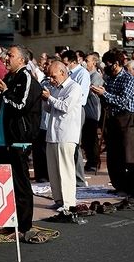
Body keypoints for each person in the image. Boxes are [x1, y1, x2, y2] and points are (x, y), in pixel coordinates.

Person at [0, 44, 44, 242]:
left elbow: (21, 105)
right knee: (7, 185)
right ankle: (10, 222)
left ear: (22, 59)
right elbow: (1, 104)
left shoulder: (26, 77)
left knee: (21, 184)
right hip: (5, 138)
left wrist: (4, 92)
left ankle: (24, 225)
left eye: (10, 55)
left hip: (20, 139)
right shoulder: (10, 77)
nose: (6, 59)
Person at [91, 49, 134, 197]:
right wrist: (100, 94)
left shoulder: (128, 79)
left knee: (128, 154)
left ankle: (129, 188)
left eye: (108, 64)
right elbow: (108, 98)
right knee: (113, 154)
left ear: (117, 64)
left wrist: (104, 93)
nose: (106, 67)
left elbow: (123, 101)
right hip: (111, 118)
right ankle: (118, 185)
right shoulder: (110, 77)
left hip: (126, 119)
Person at [41, 60, 82, 212]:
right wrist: (46, 99)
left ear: (63, 73)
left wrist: (50, 98)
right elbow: (49, 109)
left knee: (66, 170)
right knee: (53, 170)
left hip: (66, 134)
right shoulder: (55, 88)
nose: (51, 80)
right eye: (50, 77)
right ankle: (58, 199)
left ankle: (69, 202)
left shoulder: (74, 87)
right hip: (52, 133)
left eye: (53, 76)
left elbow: (65, 107)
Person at [61, 49, 89, 186]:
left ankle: (79, 179)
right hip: (65, 108)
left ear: (73, 62)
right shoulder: (67, 73)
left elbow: (81, 95)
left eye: (66, 63)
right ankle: (70, 176)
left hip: (77, 110)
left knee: (75, 143)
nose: (64, 65)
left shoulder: (82, 74)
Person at [83, 52, 104, 172]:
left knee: (91, 139)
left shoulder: (95, 76)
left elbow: (91, 91)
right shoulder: (86, 75)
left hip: (92, 112)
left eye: (87, 60)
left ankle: (94, 161)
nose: (85, 63)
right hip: (85, 111)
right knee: (86, 139)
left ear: (94, 63)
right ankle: (90, 159)